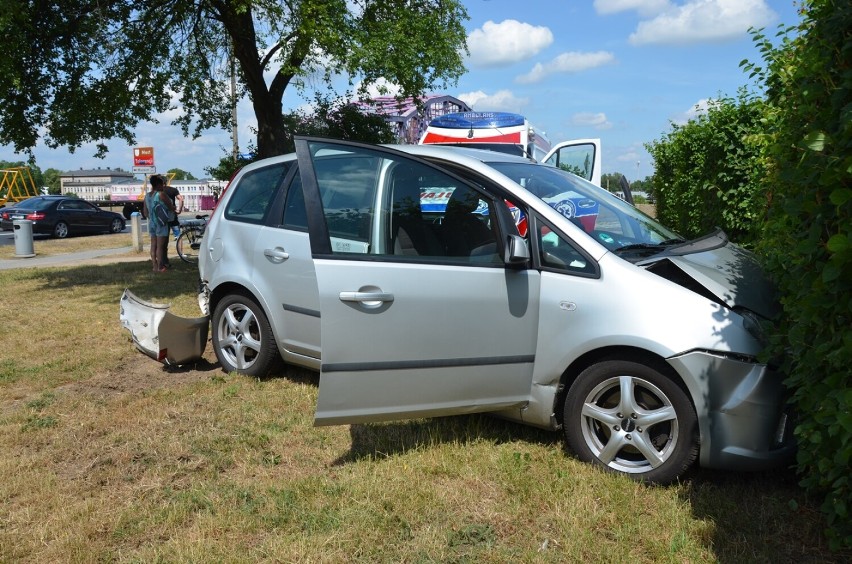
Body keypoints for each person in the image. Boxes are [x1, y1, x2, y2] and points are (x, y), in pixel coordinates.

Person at [142, 175, 175, 272]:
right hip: (161, 223)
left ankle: (154, 266)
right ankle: (161, 267)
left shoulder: (147, 196)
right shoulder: (161, 194)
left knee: (153, 245)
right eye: (162, 184)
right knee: (160, 246)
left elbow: (145, 212)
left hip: (152, 223)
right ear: (158, 184)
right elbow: (170, 207)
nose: (163, 186)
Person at [162, 181, 184, 267]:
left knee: (164, 237)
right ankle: (181, 253)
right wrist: (179, 209)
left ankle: (164, 256)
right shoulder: (173, 190)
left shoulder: (159, 192)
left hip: (163, 217)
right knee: (178, 235)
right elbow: (181, 199)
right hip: (173, 215)